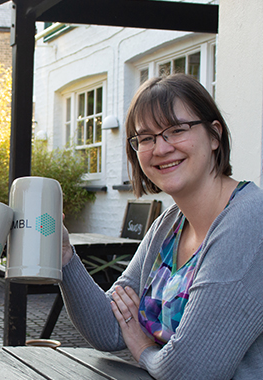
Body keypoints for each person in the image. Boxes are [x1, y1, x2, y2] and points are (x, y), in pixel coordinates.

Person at [59, 74, 263, 379]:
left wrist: (142, 348)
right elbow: (112, 329)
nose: (161, 148)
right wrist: (63, 258)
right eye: (146, 138)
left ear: (214, 135)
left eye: (176, 130)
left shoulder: (249, 222)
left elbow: (190, 371)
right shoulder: (170, 223)